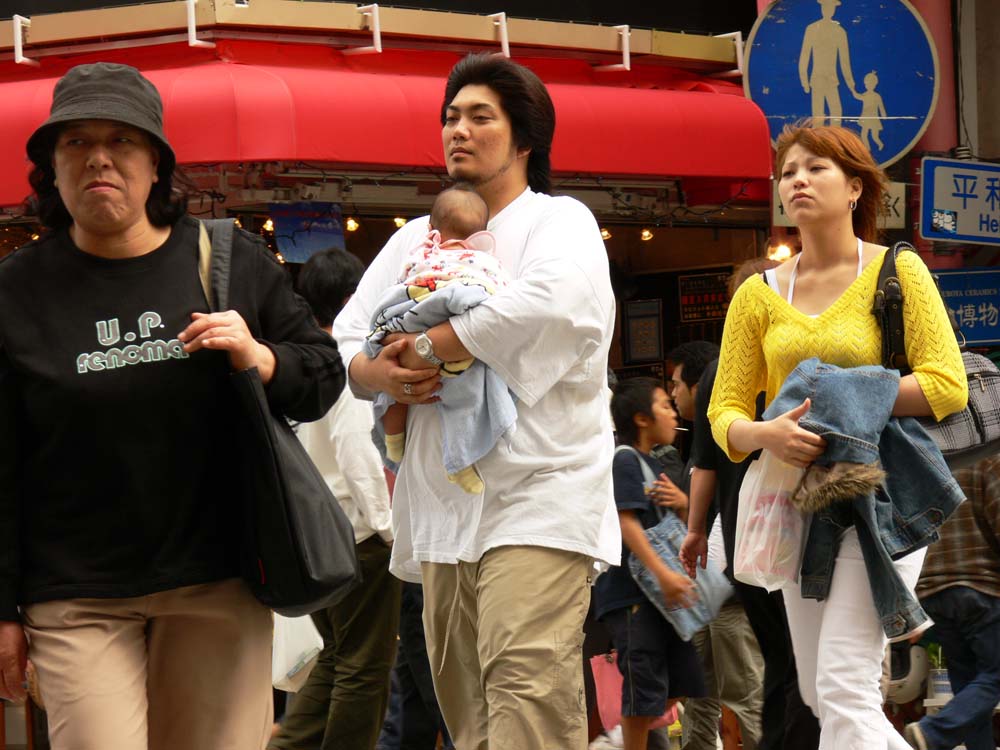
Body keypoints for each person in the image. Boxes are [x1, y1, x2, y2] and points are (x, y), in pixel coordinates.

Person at [0, 63, 344, 750]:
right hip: (76, 592)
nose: (99, 157)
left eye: (122, 141)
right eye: (76, 142)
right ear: (50, 169)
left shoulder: (228, 260)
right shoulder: (15, 291)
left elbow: (323, 372)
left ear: (156, 163)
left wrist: (260, 355)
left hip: (217, 580)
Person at [333, 53, 620, 748]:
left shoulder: (561, 221)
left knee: (526, 688)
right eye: (450, 117)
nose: (458, 129)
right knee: (469, 716)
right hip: (441, 504)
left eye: (479, 116)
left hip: (541, 494)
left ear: (524, 138)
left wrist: (427, 346)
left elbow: (553, 308)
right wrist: (387, 376)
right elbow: (348, 340)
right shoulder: (412, 239)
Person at [707, 123, 967, 749]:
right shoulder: (757, 296)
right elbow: (724, 415)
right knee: (821, 692)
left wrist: (839, 398)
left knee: (845, 684)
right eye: (787, 170)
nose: (796, 179)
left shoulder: (898, 270)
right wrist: (765, 433)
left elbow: (945, 385)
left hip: (880, 494)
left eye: (815, 168)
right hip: (796, 502)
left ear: (855, 187)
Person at [680, 265, 821, 750]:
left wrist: (695, 531)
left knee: (779, 659)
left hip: (747, 540)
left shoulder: (715, 376)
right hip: (805, 529)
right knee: (810, 663)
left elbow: (705, 465)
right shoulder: (803, 354)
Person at [268, 248, 400, 750]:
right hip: (356, 531)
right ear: (351, 300)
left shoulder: (295, 363)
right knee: (365, 669)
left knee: (336, 656)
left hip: (310, 532)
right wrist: (386, 526)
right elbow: (355, 450)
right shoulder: (343, 360)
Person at [368, 186, 510, 494]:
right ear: (480, 234)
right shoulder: (483, 260)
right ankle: (459, 461)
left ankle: (393, 439)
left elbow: (401, 283)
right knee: (468, 391)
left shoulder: (420, 252)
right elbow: (498, 299)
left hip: (410, 314)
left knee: (394, 379)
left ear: (431, 229)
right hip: (453, 325)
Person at [594, 377, 704, 750]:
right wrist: (664, 575)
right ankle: (625, 742)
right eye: (664, 406)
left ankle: (621, 741)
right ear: (641, 418)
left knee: (680, 681)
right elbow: (626, 522)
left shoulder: (648, 464)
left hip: (660, 598)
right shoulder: (624, 458)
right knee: (643, 690)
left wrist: (684, 504)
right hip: (633, 594)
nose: (673, 413)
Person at [668, 341, 764, 750]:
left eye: (675, 385)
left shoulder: (734, 433)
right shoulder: (697, 447)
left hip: (733, 591)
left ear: (699, 385)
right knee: (699, 694)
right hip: (704, 592)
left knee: (746, 694)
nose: (672, 395)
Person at [905, 455, 1000, 750]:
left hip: (932, 591)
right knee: (995, 675)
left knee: (968, 687)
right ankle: (934, 732)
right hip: (979, 587)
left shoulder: (923, 456)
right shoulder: (989, 454)